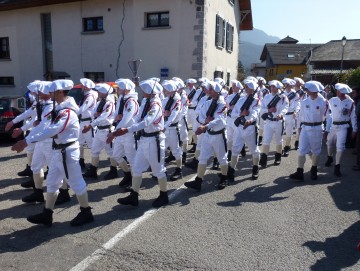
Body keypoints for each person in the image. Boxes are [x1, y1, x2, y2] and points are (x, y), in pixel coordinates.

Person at [11, 79, 94, 226]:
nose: (49, 94)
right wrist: (27, 137)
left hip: (67, 152)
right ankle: (47, 213)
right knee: (52, 183)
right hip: (58, 150)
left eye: (52, 92)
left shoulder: (67, 112)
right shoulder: (59, 109)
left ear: (61, 92)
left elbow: (51, 130)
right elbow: (43, 125)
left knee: (76, 183)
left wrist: (26, 142)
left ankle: (86, 212)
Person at [111, 79, 169, 208]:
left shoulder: (156, 105)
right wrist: (131, 126)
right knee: (136, 168)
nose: (142, 92)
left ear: (149, 91)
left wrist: (127, 129)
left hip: (154, 140)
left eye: (144, 90)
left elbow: (146, 122)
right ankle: (134, 195)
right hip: (144, 139)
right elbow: (138, 118)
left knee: (158, 170)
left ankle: (164, 195)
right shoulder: (146, 102)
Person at [184, 81, 228, 191]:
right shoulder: (208, 103)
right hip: (208, 134)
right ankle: (198, 181)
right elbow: (200, 116)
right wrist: (206, 122)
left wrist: (206, 125)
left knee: (222, 158)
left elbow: (220, 120)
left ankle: (224, 178)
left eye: (211, 89)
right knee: (202, 157)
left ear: (217, 91)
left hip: (218, 135)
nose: (208, 91)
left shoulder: (222, 104)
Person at [289, 81, 328, 181]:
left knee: (316, 151)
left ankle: (314, 169)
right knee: (301, 150)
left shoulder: (323, 102)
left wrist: (327, 130)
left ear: (313, 90)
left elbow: (328, 116)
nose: (306, 91)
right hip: (305, 128)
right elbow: (299, 116)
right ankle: (299, 172)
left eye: (308, 89)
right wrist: (298, 127)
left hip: (317, 128)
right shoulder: (304, 101)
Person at [5, 81, 40, 186]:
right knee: (34, 154)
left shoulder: (47, 103)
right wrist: (13, 122)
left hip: (43, 133)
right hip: (37, 131)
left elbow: (37, 120)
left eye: (33, 91)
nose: (32, 93)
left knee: (47, 159)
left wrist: (21, 129)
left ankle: (37, 180)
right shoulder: (38, 102)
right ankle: (34, 178)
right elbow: (28, 113)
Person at [107, 78, 139, 188]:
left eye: (120, 87)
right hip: (119, 132)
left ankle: (134, 182)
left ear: (126, 89)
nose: (117, 89)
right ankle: (127, 174)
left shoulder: (131, 101)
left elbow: (126, 119)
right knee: (116, 155)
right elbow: (117, 114)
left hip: (128, 133)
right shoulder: (122, 99)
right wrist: (116, 120)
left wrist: (114, 132)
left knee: (132, 159)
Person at [229, 79, 261, 181]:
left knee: (253, 150)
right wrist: (241, 114)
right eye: (245, 86)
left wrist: (250, 119)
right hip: (240, 127)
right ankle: (231, 171)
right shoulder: (241, 100)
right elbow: (233, 113)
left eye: (247, 87)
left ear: (252, 89)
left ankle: (255, 168)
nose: (245, 88)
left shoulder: (256, 101)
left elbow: (255, 113)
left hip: (250, 128)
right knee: (235, 148)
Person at [82, 83, 116, 180]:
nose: (98, 92)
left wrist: (91, 124)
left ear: (104, 93)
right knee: (94, 150)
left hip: (106, 129)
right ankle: (93, 170)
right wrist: (97, 115)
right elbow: (93, 113)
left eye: (100, 91)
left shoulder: (110, 103)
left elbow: (103, 116)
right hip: (99, 130)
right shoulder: (100, 102)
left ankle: (113, 170)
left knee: (110, 152)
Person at [324, 83, 357, 176]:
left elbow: (353, 116)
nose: (339, 93)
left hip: (343, 127)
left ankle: (337, 166)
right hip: (332, 126)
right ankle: (329, 157)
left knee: (340, 146)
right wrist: (326, 129)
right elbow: (328, 116)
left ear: (345, 92)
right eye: (338, 91)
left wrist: (355, 129)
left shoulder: (350, 102)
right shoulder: (332, 100)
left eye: (341, 91)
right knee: (329, 144)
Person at [259, 80, 289, 167]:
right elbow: (262, 109)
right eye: (271, 86)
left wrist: (281, 114)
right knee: (266, 140)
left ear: (278, 87)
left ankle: (278, 157)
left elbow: (285, 107)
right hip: (268, 121)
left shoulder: (283, 97)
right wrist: (268, 110)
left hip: (278, 122)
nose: (272, 88)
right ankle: (263, 159)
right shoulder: (267, 97)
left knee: (278, 140)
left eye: (274, 86)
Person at [161, 80, 183, 180]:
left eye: (166, 89)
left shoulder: (177, 100)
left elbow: (173, 115)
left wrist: (165, 125)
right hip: (165, 127)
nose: (164, 91)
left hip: (173, 128)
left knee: (176, 150)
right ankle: (162, 170)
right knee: (161, 149)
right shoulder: (166, 100)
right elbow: (162, 111)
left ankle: (179, 170)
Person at [77, 78, 98, 170]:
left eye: (83, 85)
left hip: (88, 121)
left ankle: (94, 166)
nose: (82, 87)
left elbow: (82, 109)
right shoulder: (86, 95)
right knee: (79, 142)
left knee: (91, 144)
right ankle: (81, 161)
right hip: (82, 121)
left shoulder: (90, 96)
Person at [281, 78, 300, 157]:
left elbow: (298, 104)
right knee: (281, 132)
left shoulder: (295, 94)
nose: (287, 87)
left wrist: (296, 111)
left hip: (291, 115)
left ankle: (287, 147)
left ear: (292, 86)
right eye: (286, 85)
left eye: (289, 85)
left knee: (289, 132)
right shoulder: (282, 93)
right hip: (283, 115)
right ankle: (280, 148)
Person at [226, 79, 243, 160]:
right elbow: (226, 106)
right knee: (229, 136)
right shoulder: (229, 96)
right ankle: (229, 152)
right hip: (229, 118)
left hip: (236, 119)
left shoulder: (242, 97)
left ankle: (236, 152)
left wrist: (234, 108)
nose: (232, 87)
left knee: (236, 136)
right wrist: (229, 108)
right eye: (232, 86)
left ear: (238, 87)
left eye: (234, 86)